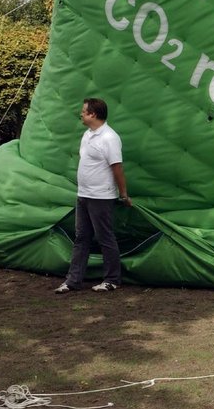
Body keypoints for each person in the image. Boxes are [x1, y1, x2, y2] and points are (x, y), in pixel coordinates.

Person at [54, 97, 132, 293]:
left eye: (84, 111)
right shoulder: (88, 134)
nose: (81, 114)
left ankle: (112, 279)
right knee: (81, 237)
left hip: (101, 197)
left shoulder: (109, 138)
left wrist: (123, 194)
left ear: (93, 114)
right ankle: (72, 281)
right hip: (84, 194)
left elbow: (117, 167)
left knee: (105, 237)